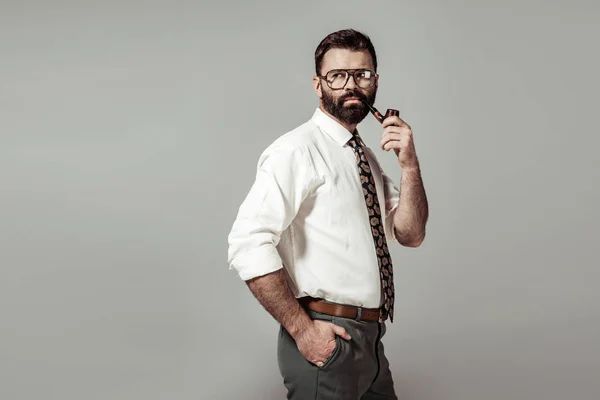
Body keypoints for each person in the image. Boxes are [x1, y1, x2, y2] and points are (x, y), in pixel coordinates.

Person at [227, 29, 429, 399]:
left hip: (371, 341)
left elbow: (410, 233)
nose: (351, 85)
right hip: (328, 337)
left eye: (362, 74)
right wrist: (304, 331)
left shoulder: (364, 156)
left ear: (376, 82)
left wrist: (410, 167)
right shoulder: (295, 150)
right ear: (319, 85)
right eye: (338, 76)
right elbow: (246, 244)